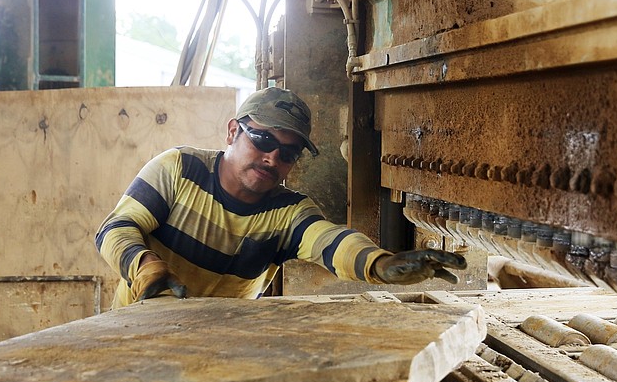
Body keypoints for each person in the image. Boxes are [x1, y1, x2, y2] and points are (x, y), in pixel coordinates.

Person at [95, 87, 466, 308]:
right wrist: (144, 267)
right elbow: (116, 229)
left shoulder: (287, 213)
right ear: (231, 132)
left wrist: (380, 264)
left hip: (213, 349)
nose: (273, 157)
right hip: (136, 330)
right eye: (263, 140)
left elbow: (330, 240)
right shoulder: (179, 168)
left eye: (288, 153)